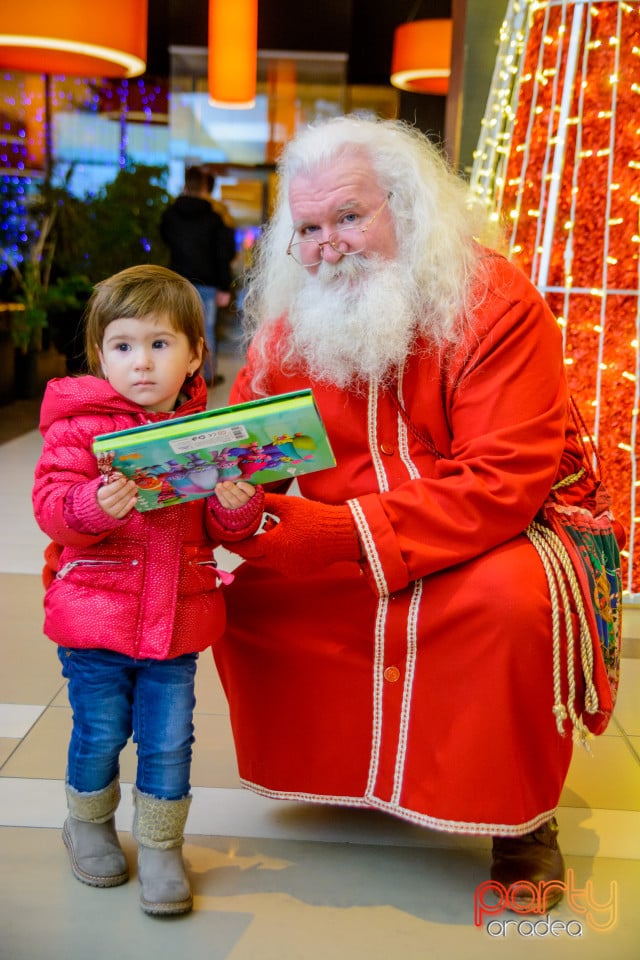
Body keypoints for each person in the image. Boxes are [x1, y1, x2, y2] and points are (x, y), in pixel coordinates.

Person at [213, 115, 600, 911]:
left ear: (407, 207)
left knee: (504, 604)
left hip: (494, 527)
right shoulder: (293, 317)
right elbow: (251, 444)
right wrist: (225, 503)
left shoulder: (497, 300)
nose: (329, 246)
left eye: (350, 217)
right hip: (342, 528)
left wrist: (347, 535)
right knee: (255, 595)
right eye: (310, 228)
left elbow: (505, 477)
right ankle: (356, 775)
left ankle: (522, 819)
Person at [32, 264, 264, 916]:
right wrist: (94, 503)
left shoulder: (207, 436)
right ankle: (88, 823)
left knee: (168, 740)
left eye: (160, 345)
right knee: (100, 732)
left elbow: (220, 527)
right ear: (100, 354)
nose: (141, 364)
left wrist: (239, 505)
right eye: (124, 346)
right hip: (94, 621)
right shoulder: (80, 431)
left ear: (195, 352)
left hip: (177, 622)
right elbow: (51, 506)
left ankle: (162, 845)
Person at [160, 166, 236, 386]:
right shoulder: (215, 218)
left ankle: (178, 375)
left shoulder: (170, 216)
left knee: (176, 329)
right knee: (206, 330)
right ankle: (206, 378)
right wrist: (224, 286)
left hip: (177, 281)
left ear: (185, 185)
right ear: (204, 187)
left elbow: (164, 241)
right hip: (208, 283)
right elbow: (224, 254)